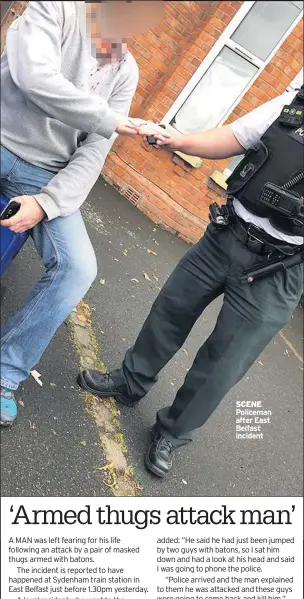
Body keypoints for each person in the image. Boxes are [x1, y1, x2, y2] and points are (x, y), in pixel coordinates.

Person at [78, 85, 304, 478]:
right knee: (171, 309)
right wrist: (177, 139)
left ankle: (172, 431)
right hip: (227, 234)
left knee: (225, 361)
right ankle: (130, 381)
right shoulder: (295, 104)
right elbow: (235, 137)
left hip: (279, 269)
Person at [0, 0, 167, 426]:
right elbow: (32, 76)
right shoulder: (56, 8)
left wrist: (48, 203)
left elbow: (95, 152)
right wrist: (108, 118)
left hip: (42, 174)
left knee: (78, 268)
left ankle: (6, 371)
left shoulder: (125, 70)